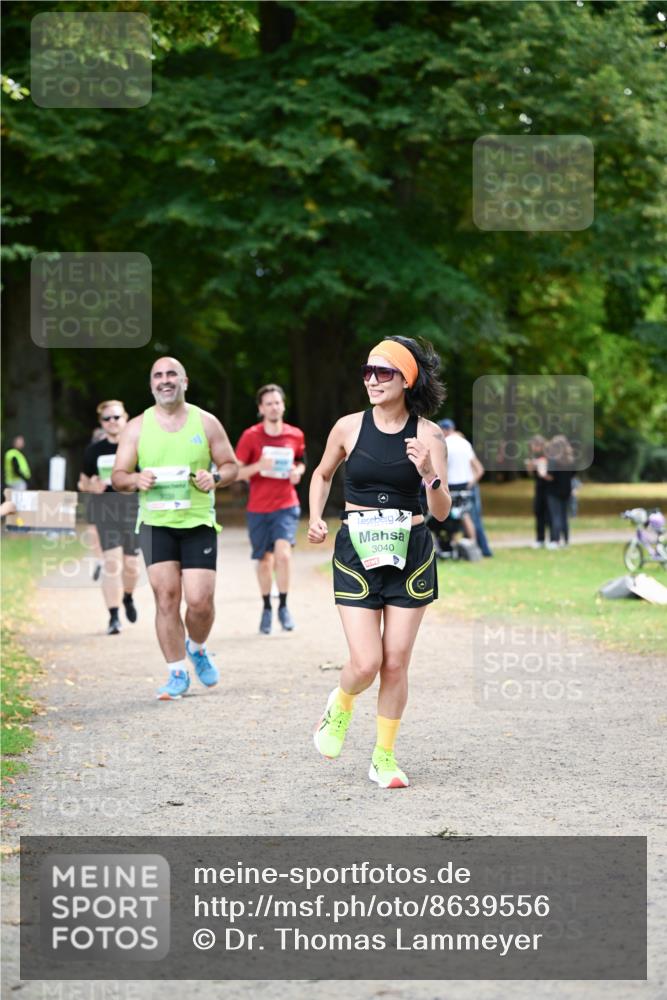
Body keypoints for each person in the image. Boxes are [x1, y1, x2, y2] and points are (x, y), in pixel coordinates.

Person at [308, 336, 450, 789]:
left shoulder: (430, 435)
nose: (372, 380)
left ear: (406, 379)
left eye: (383, 372)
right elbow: (323, 473)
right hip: (357, 551)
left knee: (395, 662)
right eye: (367, 372)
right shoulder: (348, 427)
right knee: (366, 662)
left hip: (411, 551)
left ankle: (383, 757)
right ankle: (341, 703)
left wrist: (429, 474)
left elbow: (443, 510)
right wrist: (315, 516)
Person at [112, 357, 238, 700]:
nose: (165, 380)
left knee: (200, 603)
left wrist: (213, 477)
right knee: (166, 597)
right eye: (158, 375)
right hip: (155, 524)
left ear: (185, 380)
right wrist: (136, 478)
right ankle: (177, 672)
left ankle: (196, 647)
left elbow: (231, 466)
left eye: (171, 374)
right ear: (151, 384)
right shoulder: (137, 427)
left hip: (197, 521)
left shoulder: (206, 422)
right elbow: (118, 476)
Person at [235, 384, 306, 634]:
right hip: (258, 508)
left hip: (286, 504)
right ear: (260, 408)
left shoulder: (295, 434)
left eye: (278, 402)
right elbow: (236, 472)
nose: (274, 407)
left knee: (283, 555)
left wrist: (297, 471)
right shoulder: (250, 436)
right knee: (265, 562)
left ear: (283, 405)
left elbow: (300, 462)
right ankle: (266, 607)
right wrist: (258, 466)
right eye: (269, 403)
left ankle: (284, 606)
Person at [79, 401, 141, 635]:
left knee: (132, 566)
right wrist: (91, 486)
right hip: (106, 511)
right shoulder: (93, 451)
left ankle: (128, 596)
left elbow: (149, 476)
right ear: (101, 423)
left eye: (116, 417)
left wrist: (133, 479)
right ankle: (114, 616)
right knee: (112, 563)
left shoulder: (138, 446)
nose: (112, 422)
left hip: (133, 510)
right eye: (107, 419)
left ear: (125, 418)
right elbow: (83, 482)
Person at [437, 419, 484, 545]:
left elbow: (441, 467)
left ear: (444, 430)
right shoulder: (465, 443)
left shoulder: (444, 443)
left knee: (449, 515)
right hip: (465, 485)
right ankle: (473, 542)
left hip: (451, 484)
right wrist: (471, 483)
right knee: (465, 515)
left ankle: (451, 543)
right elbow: (479, 469)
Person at [543, 435, 575, 548]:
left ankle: (555, 540)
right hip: (566, 491)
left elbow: (550, 476)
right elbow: (572, 476)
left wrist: (543, 474)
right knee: (564, 517)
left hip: (554, 491)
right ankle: (565, 540)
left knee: (555, 516)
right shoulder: (570, 460)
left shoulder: (553, 460)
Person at [524, 434, 550, 548]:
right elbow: (531, 474)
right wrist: (530, 466)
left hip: (549, 488)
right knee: (538, 512)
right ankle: (540, 539)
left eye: (534, 446)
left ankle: (552, 538)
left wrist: (540, 465)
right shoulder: (533, 456)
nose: (532, 449)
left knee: (549, 514)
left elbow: (548, 473)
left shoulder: (548, 455)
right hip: (539, 487)